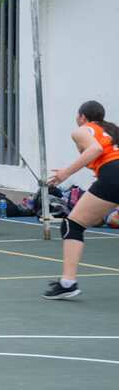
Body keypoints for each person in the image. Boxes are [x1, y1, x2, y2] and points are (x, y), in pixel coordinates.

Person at [42, 100, 119, 300]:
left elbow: (95, 151)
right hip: (112, 176)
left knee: (73, 225)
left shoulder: (82, 130)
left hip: (114, 176)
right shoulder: (112, 132)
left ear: (82, 117)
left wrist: (65, 174)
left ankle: (68, 283)